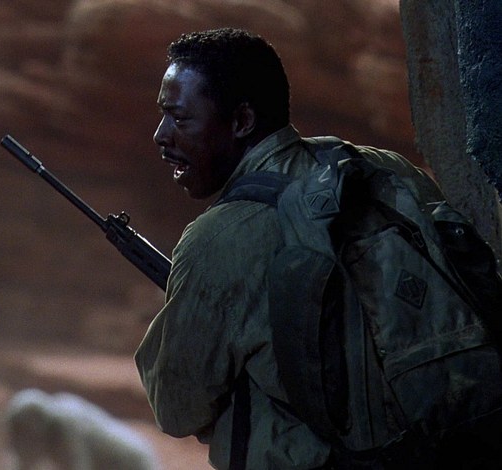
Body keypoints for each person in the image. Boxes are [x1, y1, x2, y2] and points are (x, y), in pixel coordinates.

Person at [133, 27, 447, 469]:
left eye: (180, 118)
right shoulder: (384, 169)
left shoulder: (218, 238)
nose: (161, 136)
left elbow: (176, 408)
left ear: (242, 121)